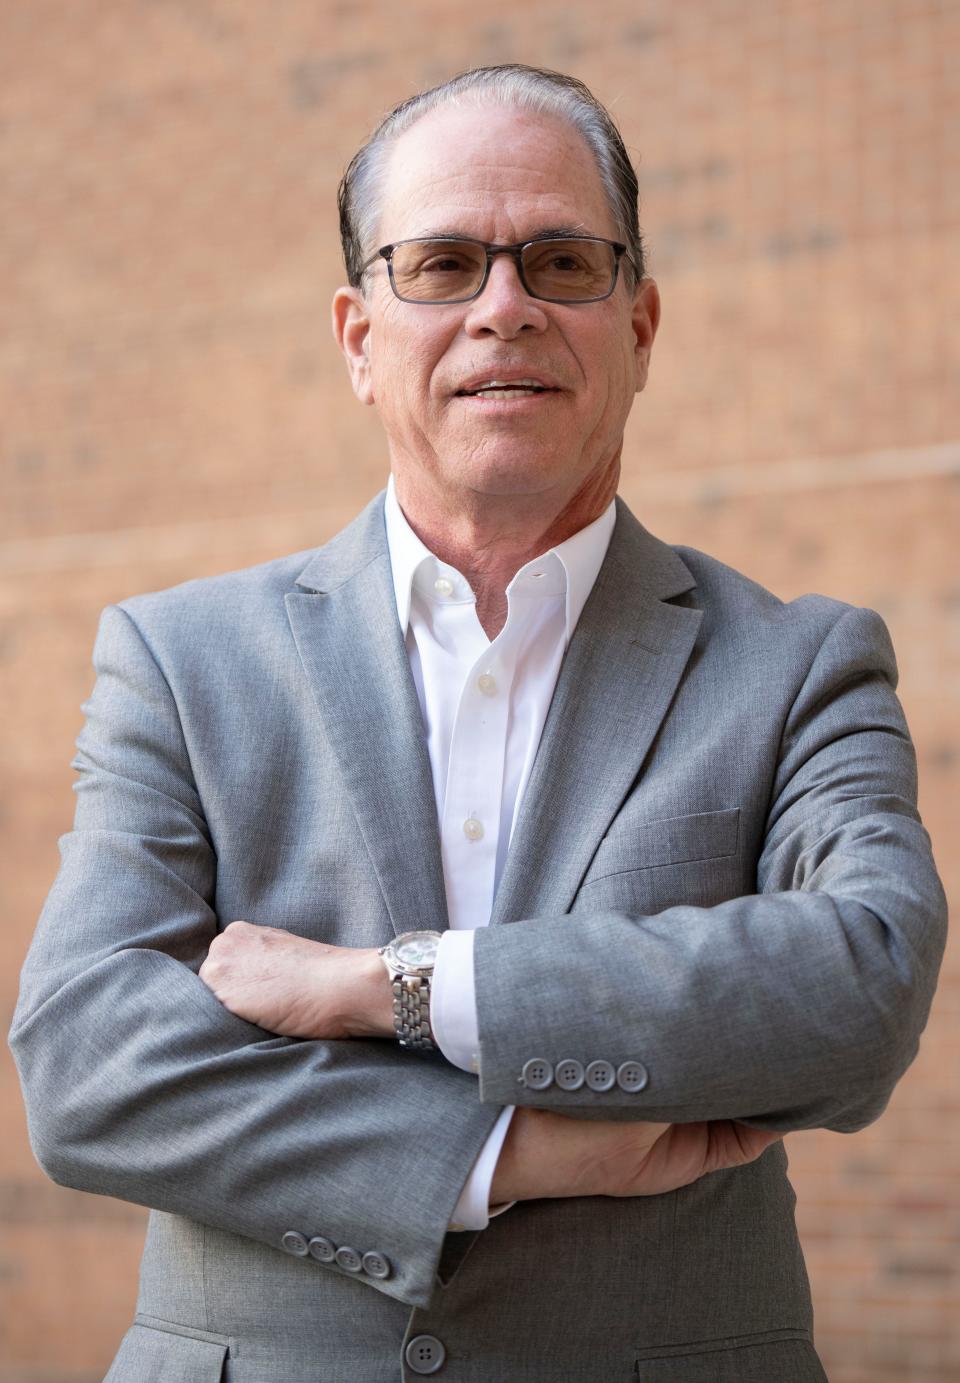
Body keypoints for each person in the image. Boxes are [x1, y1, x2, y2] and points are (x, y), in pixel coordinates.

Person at [9, 64, 946, 1383]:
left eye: (563, 260)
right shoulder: (182, 661)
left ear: (642, 326)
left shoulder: (797, 666)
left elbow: (858, 985)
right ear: (357, 338)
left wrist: (388, 988)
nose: (505, 306)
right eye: (442, 264)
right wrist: (513, 1154)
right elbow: (89, 1062)